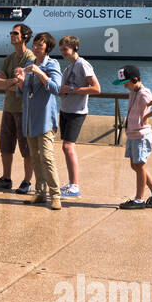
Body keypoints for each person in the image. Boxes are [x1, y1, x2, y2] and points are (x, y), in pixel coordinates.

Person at [17, 31, 63, 210]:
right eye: (34, 45)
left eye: (40, 46)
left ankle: (55, 194)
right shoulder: (28, 64)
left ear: (47, 48)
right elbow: (23, 92)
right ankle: (40, 193)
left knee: (47, 157)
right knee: (35, 158)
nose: (35, 48)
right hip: (29, 118)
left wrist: (40, 73)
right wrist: (21, 80)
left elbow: (56, 88)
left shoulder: (52, 64)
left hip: (44, 119)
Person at [0, 25, 34, 194]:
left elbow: (26, 85)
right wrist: (12, 82)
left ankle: (27, 181)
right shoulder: (9, 59)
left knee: (26, 147)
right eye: (11, 33)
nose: (11, 35)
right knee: (5, 145)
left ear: (24, 37)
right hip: (8, 108)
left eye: (15, 33)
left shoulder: (30, 58)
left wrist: (9, 83)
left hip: (24, 109)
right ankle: (6, 178)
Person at [115, 66, 152, 209]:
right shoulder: (133, 91)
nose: (124, 86)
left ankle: (139, 200)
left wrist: (146, 116)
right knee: (135, 165)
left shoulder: (143, 93)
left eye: (126, 83)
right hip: (133, 134)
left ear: (135, 80)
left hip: (141, 135)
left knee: (139, 165)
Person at [57, 36, 100, 199]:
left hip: (77, 111)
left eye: (65, 49)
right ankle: (71, 183)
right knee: (65, 147)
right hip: (65, 109)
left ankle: (75, 186)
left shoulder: (83, 64)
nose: (63, 53)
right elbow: (65, 90)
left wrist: (73, 89)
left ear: (75, 48)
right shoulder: (68, 68)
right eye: (61, 49)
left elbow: (96, 88)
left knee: (68, 147)